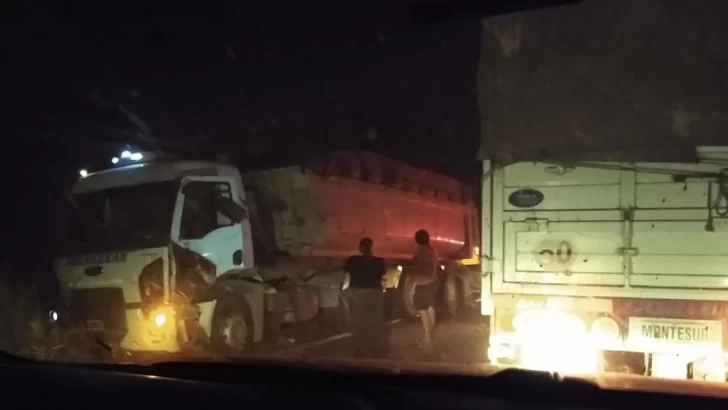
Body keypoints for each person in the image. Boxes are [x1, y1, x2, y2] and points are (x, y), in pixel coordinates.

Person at [343, 237, 389, 358]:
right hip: (375, 294)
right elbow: (383, 273)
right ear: (371, 248)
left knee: (358, 322)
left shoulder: (352, 260)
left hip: (358, 294)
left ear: (360, 248)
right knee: (374, 321)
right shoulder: (379, 261)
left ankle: (360, 349)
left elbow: (346, 275)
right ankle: (375, 347)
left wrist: (346, 291)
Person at [412, 229, 439, 346]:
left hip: (423, 283)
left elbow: (416, 268)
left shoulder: (419, 251)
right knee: (430, 307)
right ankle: (430, 334)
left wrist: (413, 285)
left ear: (417, 240)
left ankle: (427, 338)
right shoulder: (432, 251)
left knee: (422, 310)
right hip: (433, 281)